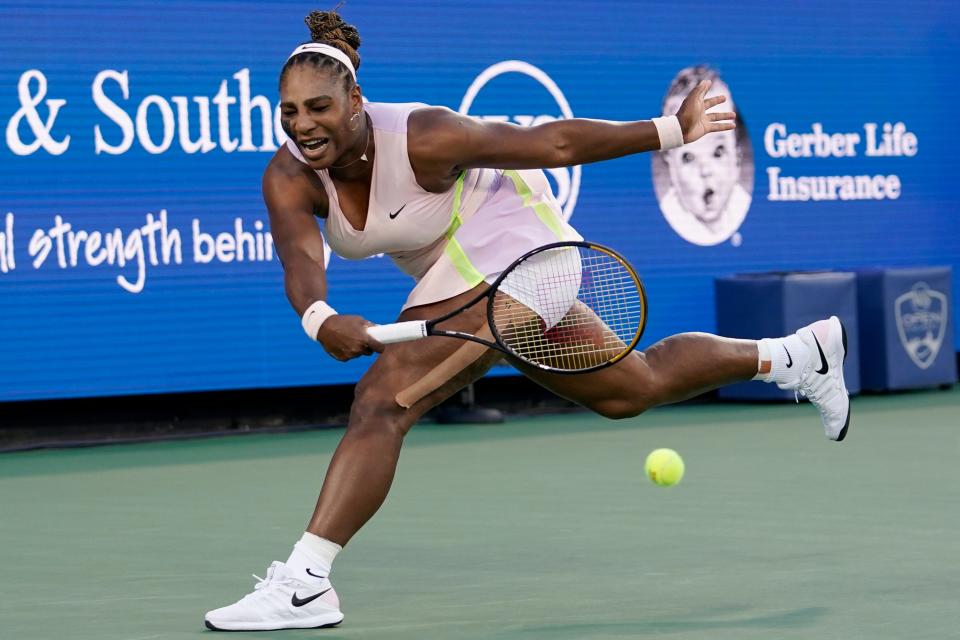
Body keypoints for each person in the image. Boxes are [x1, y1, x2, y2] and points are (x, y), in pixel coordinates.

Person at [204, 10, 850, 632]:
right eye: (289, 111)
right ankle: (798, 355)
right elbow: (299, 258)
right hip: (459, 276)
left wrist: (672, 130)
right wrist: (321, 319)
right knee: (634, 388)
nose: (303, 124)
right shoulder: (290, 175)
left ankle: (306, 582)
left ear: (355, 102)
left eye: (319, 107)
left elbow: (553, 141)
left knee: (383, 400)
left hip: (523, 253)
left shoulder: (425, 135)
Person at [654, 65, 752, 246]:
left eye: (718, 152)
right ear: (669, 159)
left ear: (736, 154)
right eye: (688, 157)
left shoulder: (742, 203)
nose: (705, 171)